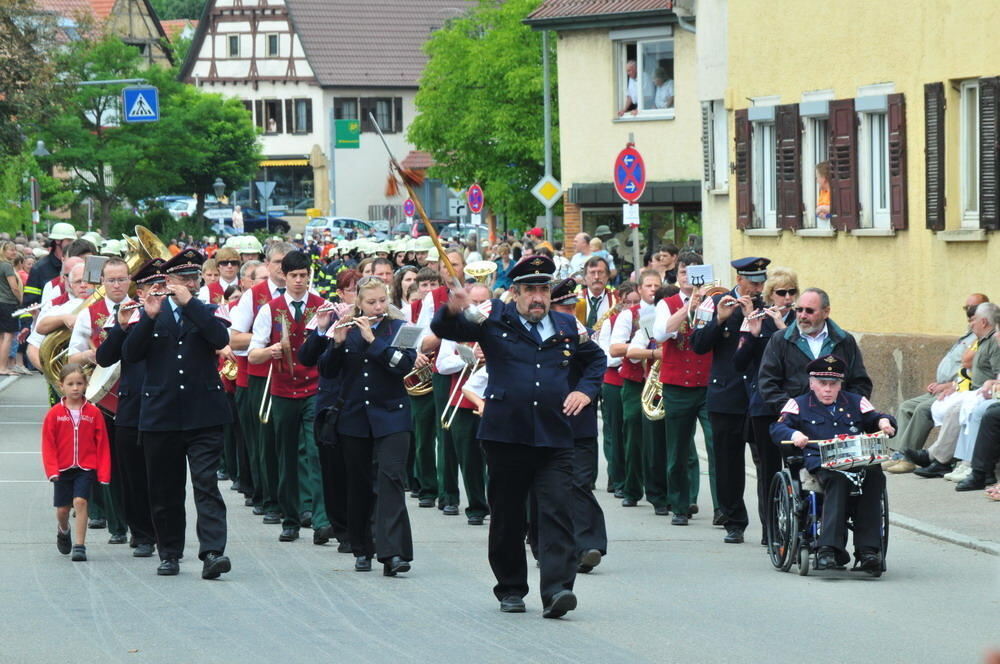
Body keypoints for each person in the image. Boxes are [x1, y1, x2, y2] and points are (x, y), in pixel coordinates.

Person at [431, 254, 605, 619]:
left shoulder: (567, 325)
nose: (538, 297)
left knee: (558, 512)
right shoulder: (493, 318)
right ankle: (511, 587)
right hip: (506, 434)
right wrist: (453, 308)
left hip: (555, 435)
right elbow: (448, 331)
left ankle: (558, 589)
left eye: (543, 289)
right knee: (509, 515)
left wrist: (586, 392)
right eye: (530, 290)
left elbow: (595, 360)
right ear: (516, 292)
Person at [122, 249, 233, 579]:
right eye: (184, 280)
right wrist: (149, 318)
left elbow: (219, 337)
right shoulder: (150, 314)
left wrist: (191, 303)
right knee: (165, 489)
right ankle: (169, 552)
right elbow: (130, 353)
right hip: (161, 414)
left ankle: (213, 552)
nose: (192, 284)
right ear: (168, 281)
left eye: (195, 279)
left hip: (204, 414)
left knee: (206, 484)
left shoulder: (207, 310)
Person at [318, 277, 416, 576]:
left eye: (382, 301)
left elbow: (404, 364)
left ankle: (394, 553)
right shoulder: (346, 330)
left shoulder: (402, 328)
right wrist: (335, 343)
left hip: (393, 416)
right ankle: (361, 548)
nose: (377, 307)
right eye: (371, 302)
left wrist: (375, 342)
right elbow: (326, 371)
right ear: (358, 303)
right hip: (355, 418)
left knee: (390, 480)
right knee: (358, 484)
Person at [770, 355, 896, 574]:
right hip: (822, 463)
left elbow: (876, 417)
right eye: (822, 383)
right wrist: (795, 433)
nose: (827, 389)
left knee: (875, 475)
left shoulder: (856, 401)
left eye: (833, 384)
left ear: (840, 385)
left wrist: (884, 423)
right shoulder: (798, 404)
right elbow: (777, 429)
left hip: (857, 461)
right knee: (837, 480)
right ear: (812, 383)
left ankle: (868, 551)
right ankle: (828, 549)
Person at [247, 250, 330, 543]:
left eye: (303, 276)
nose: (299, 281)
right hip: (282, 391)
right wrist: (269, 351)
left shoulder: (323, 307)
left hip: (314, 390)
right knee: (286, 456)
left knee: (317, 452)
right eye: (294, 276)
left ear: (309, 276)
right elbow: (253, 354)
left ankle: (321, 519)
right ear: (284, 276)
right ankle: (290, 519)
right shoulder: (270, 309)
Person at [690, 256, 771, 543]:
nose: (757, 288)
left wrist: (759, 323)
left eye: (761, 282)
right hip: (726, 394)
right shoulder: (714, 303)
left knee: (767, 464)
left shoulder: (767, 306)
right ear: (739, 280)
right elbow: (697, 345)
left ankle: (771, 527)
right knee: (728, 462)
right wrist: (719, 321)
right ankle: (734, 521)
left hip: (760, 397)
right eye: (752, 282)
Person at [94, 259, 164, 558]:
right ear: (141, 288)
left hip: (164, 405)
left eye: (160, 286)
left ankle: (165, 533)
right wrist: (121, 327)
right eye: (150, 286)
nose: (155, 291)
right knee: (132, 476)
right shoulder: (129, 313)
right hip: (132, 403)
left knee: (162, 477)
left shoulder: (176, 313)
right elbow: (104, 357)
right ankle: (141, 532)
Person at [885, 293, 987, 474]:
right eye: (967, 308)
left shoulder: (984, 337)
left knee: (923, 409)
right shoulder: (970, 332)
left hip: (958, 389)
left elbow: (975, 369)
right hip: (945, 386)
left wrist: (951, 385)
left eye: (973, 309)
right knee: (906, 406)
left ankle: (910, 459)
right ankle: (898, 454)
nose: (969, 313)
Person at [733, 267, 799, 538]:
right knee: (767, 468)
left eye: (791, 292)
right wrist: (751, 333)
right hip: (764, 404)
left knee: (797, 464)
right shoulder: (757, 318)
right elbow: (738, 362)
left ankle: (798, 523)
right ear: (770, 295)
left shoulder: (800, 320)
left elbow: (803, 360)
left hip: (795, 403)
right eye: (781, 293)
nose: (786, 298)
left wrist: (784, 329)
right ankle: (769, 529)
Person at [652, 254, 717, 527]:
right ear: (677, 276)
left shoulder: (714, 301)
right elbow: (661, 334)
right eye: (683, 272)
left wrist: (708, 303)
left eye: (694, 272)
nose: (688, 277)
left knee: (717, 447)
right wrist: (689, 306)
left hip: (709, 384)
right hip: (677, 385)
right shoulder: (666, 304)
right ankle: (679, 505)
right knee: (677, 450)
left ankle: (723, 508)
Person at [548, 277, 608, 572]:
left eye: (574, 307)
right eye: (564, 307)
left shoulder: (579, 334)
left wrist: (585, 391)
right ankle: (545, 542)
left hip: (578, 421)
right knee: (548, 487)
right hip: (543, 422)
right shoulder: (531, 330)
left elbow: (599, 361)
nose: (571, 314)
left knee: (580, 483)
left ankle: (589, 546)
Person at [41, 363, 112, 562]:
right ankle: (63, 529)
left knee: (80, 502)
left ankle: (80, 545)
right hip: (62, 468)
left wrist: (104, 472)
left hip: (85, 467)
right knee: (63, 510)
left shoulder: (93, 413)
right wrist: (52, 470)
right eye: (70, 384)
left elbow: (103, 444)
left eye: (79, 383)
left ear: (86, 385)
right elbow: (48, 444)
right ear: (61, 385)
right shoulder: (54, 414)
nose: (75, 388)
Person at [0, 240, 23, 376]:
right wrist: (20, 299)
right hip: (8, 303)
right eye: (11, 249)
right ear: (4, 251)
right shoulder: (7, 266)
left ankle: (1, 365)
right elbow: (14, 287)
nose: (14, 252)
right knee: (8, 336)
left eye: (15, 249)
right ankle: (2, 367)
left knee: (1, 336)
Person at [575, 256, 618, 329]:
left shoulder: (618, 298)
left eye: (600, 272)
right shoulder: (574, 299)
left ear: (608, 276)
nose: (596, 277)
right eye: (592, 272)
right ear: (584, 277)